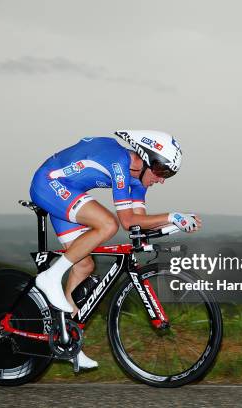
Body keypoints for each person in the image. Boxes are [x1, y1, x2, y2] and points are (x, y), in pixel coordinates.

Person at [29, 130, 202, 369]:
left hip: (70, 191)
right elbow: (127, 221)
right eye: (162, 171)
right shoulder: (119, 161)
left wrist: (173, 225)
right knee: (107, 223)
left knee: (84, 265)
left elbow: (139, 221)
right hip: (49, 184)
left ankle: (66, 339)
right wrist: (172, 215)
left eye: (168, 175)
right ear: (145, 158)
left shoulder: (138, 180)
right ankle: (51, 276)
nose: (162, 179)